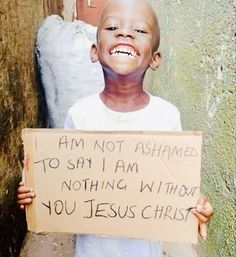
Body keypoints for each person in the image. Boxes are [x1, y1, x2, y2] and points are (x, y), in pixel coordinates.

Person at [17, 0, 214, 256]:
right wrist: (37, 193)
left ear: (155, 58)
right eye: (112, 27)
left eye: (140, 31)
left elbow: (175, 186)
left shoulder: (166, 116)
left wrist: (196, 207)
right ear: (94, 50)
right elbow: (65, 180)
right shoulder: (80, 114)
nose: (125, 33)